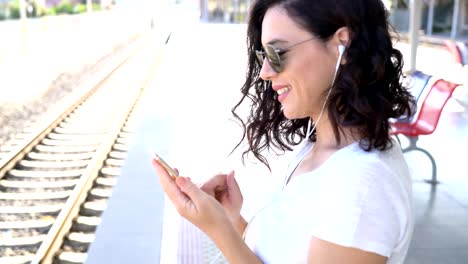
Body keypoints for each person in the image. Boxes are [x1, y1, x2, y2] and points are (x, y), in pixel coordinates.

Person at [152, 0, 416, 263]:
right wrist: (232, 219)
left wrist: (218, 229)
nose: (265, 73)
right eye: (263, 56)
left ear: (342, 45)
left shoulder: (364, 182)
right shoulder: (319, 149)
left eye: (278, 53)